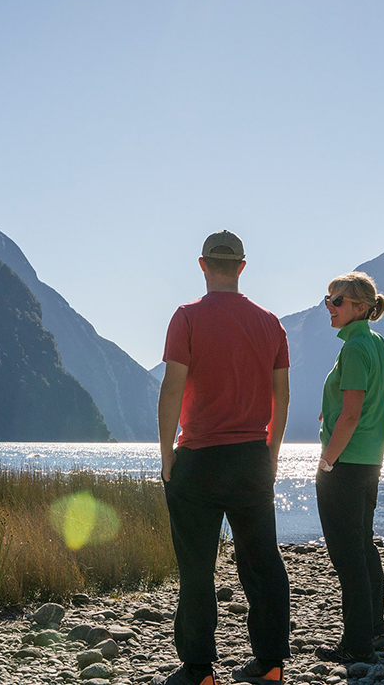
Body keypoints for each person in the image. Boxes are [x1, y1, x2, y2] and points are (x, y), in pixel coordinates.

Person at [156, 231, 291, 685]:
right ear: (242, 266)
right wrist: (270, 453)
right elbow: (281, 396)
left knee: (197, 567)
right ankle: (270, 664)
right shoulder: (271, 323)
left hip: (199, 456)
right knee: (262, 562)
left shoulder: (187, 317)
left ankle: (199, 670)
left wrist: (166, 455)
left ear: (202, 265)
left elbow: (172, 387)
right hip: (253, 456)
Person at [314, 272, 384, 667]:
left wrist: (327, 459)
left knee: (348, 555)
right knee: (363, 547)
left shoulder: (355, 347)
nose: (330, 307)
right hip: (370, 460)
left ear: (360, 307)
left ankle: (357, 644)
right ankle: (375, 633)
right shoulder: (375, 342)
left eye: (338, 301)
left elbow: (350, 414)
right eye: (328, 300)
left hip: (345, 463)